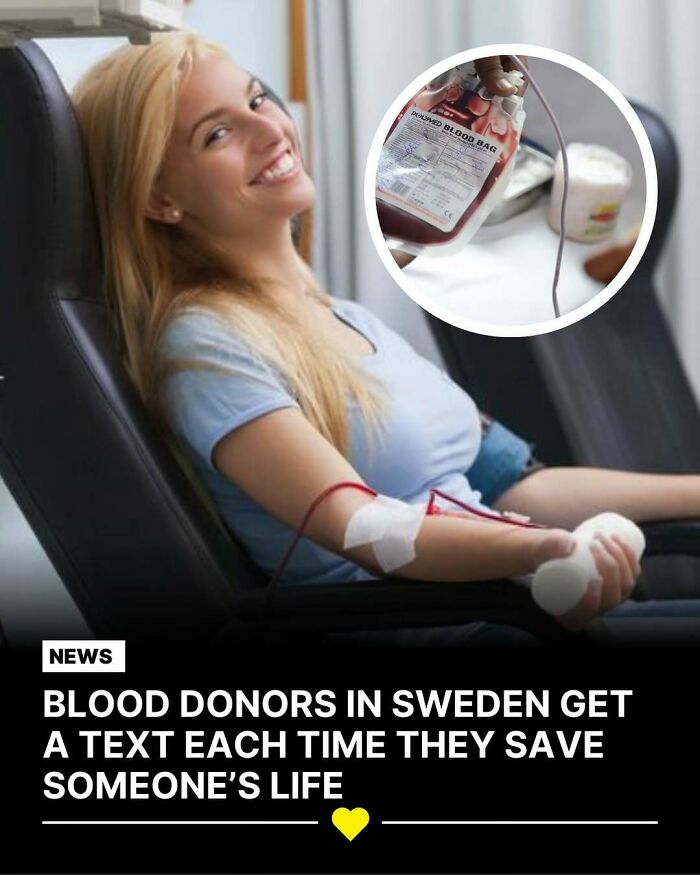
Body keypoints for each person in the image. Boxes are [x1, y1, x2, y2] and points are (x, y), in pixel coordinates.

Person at [71, 31, 700, 644]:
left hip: (514, 607)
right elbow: (366, 528)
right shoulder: (205, 345)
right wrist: (550, 551)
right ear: (159, 199)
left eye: (257, 99)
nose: (270, 129)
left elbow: (517, 486)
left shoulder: (347, 319)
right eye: (217, 133)